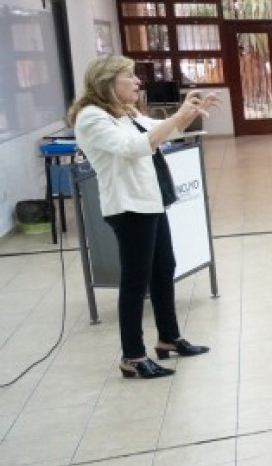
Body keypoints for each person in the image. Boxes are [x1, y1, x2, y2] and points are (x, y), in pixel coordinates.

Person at [68, 55, 217, 379]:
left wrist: (190, 112)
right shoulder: (91, 118)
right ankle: (133, 356)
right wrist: (178, 115)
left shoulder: (124, 112)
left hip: (149, 201)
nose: (138, 82)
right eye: (130, 77)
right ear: (107, 81)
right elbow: (135, 147)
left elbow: (159, 132)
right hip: (128, 207)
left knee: (164, 267)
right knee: (136, 282)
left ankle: (168, 337)